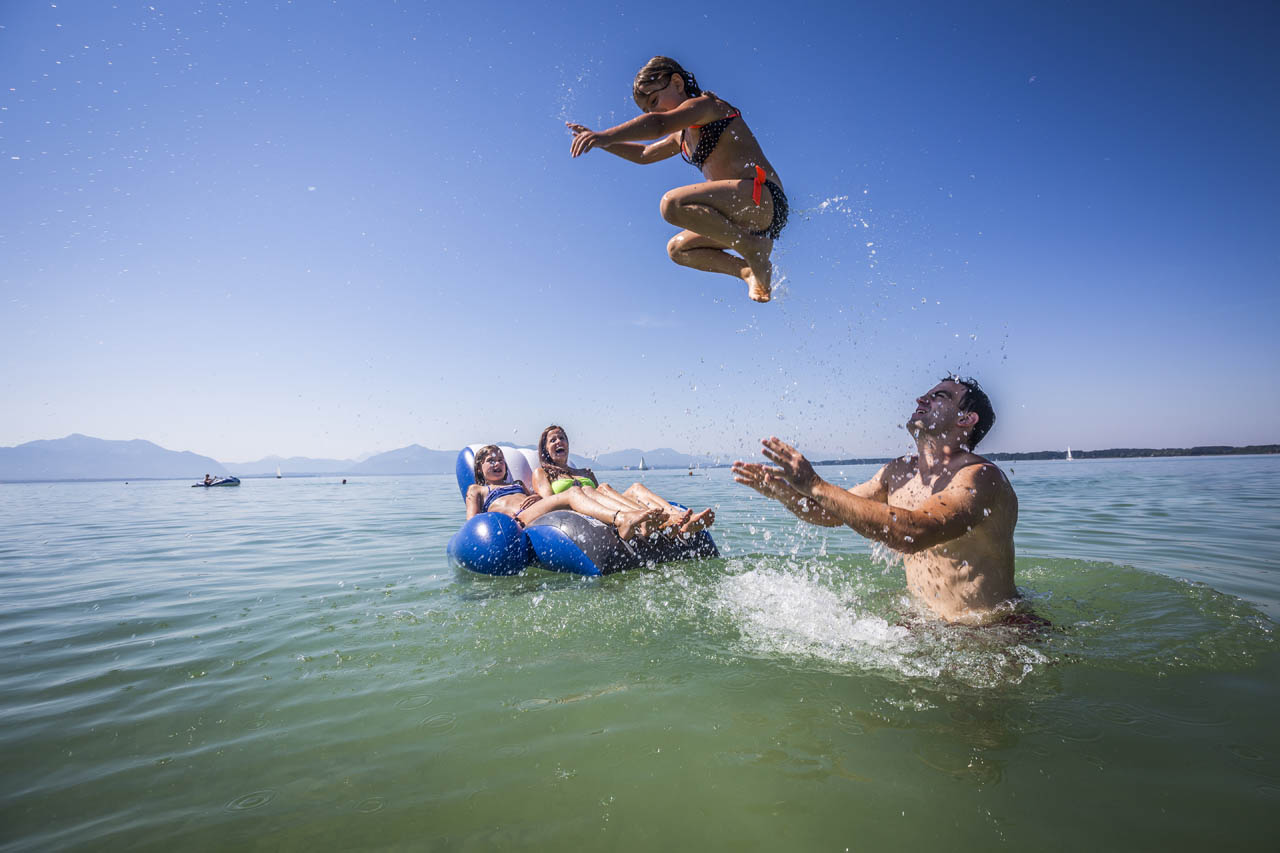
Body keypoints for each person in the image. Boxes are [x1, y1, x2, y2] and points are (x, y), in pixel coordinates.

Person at [732, 377, 1022, 625]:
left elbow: (915, 533)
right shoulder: (898, 472)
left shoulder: (980, 477)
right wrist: (785, 493)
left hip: (987, 634)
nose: (921, 398)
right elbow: (832, 513)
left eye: (939, 397)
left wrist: (814, 484)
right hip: (925, 627)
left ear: (966, 419)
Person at [568, 56, 788, 303]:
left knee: (672, 204)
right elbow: (643, 154)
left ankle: (751, 249)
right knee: (679, 250)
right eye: (647, 110)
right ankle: (747, 271)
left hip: (763, 198)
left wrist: (605, 135)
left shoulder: (707, 106)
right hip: (743, 217)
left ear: (676, 83)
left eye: (654, 101)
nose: (653, 111)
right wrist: (601, 143)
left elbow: (659, 124)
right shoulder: (681, 137)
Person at [530, 425, 714, 536]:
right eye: (552, 440)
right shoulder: (543, 473)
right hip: (577, 512)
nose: (558, 442)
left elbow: (604, 495)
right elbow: (550, 505)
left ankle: (677, 517)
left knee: (635, 487)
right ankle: (656, 520)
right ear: (545, 449)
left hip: (602, 508)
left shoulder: (583, 472)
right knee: (598, 489)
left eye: (562, 438)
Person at [466, 445, 662, 541]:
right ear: (479, 468)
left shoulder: (517, 484)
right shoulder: (478, 490)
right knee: (573, 492)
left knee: (586, 491)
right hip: (517, 519)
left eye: (500, 460)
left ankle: (638, 522)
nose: (497, 464)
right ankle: (621, 519)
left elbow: (542, 499)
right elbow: (472, 525)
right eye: (490, 461)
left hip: (538, 512)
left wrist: (535, 496)